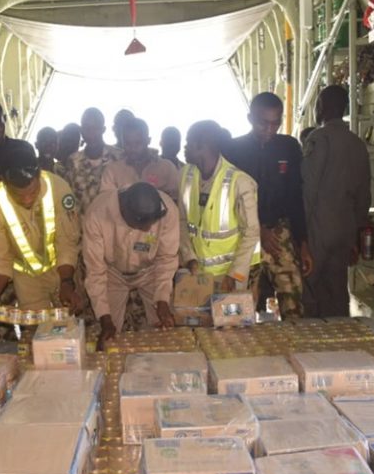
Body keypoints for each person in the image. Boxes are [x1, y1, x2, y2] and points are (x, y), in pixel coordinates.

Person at [224, 92, 313, 319]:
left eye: (276, 123)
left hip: (279, 234)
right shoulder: (233, 151)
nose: (269, 129)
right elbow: (228, 201)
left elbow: (295, 197)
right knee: (238, 309)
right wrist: (258, 229)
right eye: (263, 123)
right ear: (250, 118)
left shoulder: (289, 148)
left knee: (293, 300)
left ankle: (294, 349)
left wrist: (303, 243)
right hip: (244, 236)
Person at [0, 146, 82, 311]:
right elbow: (0, 258)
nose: (27, 200)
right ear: (4, 182)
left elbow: (67, 244)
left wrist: (67, 283)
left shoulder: (59, 189)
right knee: (36, 332)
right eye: (18, 195)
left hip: (62, 269)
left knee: (71, 326)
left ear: (39, 174)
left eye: (33, 192)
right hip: (26, 278)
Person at [302, 85, 371, 317]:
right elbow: (364, 195)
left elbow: (308, 188)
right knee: (337, 289)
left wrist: (300, 234)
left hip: (319, 226)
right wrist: (356, 232)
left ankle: (308, 342)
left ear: (320, 107)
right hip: (346, 227)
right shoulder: (357, 144)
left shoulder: (318, 139)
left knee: (309, 286)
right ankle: (338, 343)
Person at [84, 183, 179, 349]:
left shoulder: (169, 209)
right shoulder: (97, 213)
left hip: (151, 272)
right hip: (112, 273)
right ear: (125, 212)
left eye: (152, 222)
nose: (149, 228)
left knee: (164, 328)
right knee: (109, 334)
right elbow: (95, 271)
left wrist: (162, 298)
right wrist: (105, 318)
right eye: (143, 224)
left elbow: (166, 259)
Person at [180, 120, 260, 292]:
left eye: (188, 143)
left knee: (230, 318)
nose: (184, 147)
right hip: (197, 272)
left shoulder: (240, 181)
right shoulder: (185, 174)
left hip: (231, 274)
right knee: (198, 318)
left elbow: (252, 232)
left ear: (202, 146)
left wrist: (235, 274)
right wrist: (189, 258)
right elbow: (182, 221)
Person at [55, 107, 122, 215]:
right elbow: (69, 198)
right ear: (81, 131)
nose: (91, 133)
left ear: (103, 129)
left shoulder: (119, 158)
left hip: (113, 228)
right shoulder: (73, 161)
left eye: (95, 128)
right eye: (87, 128)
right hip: (82, 228)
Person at [100, 118, 180, 201]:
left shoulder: (166, 168)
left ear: (148, 141)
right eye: (128, 143)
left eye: (138, 143)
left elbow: (175, 201)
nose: (133, 148)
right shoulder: (112, 171)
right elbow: (106, 203)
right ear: (122, 143)